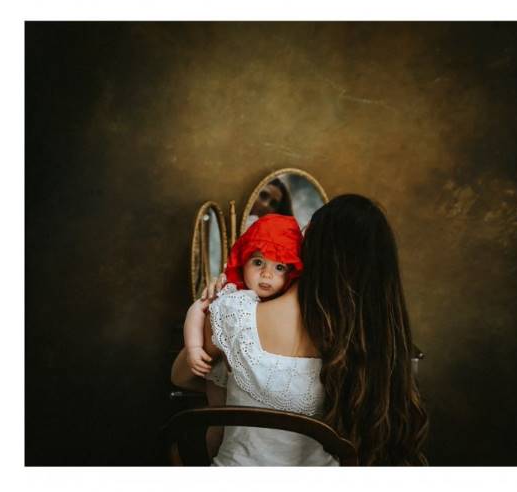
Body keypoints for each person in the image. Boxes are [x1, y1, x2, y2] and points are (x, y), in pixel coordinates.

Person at [171, 194, 428, 465]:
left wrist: (238, 378)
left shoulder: (235, 314)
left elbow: (181, 377)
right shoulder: (377, 344)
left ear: (308, 243)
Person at [172, 213, 305, 459]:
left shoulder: (283, 304)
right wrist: (193, 347)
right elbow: (197, 309)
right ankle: (213, 457)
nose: (266, 274)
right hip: (219, 370)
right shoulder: (233, 293)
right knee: (218, 420)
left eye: (279, 267)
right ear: (242, 261)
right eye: (258, 262)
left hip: (245, 385)